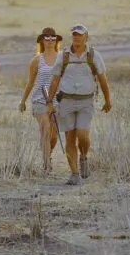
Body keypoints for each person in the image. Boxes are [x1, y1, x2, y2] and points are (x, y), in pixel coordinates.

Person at [46, 23, 112, 186]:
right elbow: (55, 80)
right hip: (66, 101)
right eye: (74, 35)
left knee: (83, 135)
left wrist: (107, 100)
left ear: (86, 37)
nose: (77, 38)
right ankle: (74, 173)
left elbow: (103, 79)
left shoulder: (94, 55)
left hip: (86, 102)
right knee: (70, 137)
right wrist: (49, 101)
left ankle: (83, 156)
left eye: (80, 35)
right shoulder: (64, 56)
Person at [19, 26, 62, 171]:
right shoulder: (36, 60)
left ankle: (48, 154)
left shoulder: (63, 58)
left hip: (57, 100)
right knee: (45, 127)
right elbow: (30, 82)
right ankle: (46, 164)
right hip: (40, 98)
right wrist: (23, 101)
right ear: (42, 40)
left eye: (53, 37)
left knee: (54, 134)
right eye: (46, 37)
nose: (50, 40)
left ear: (56, 40)